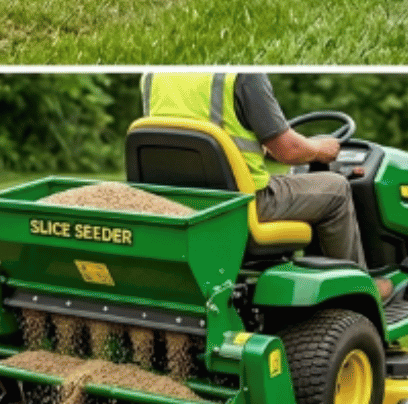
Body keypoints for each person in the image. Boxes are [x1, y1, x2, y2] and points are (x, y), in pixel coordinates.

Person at [142, 72, 390, 298]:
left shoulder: (153, 76)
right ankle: (359, 290)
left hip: (180, 204)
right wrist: (318, 149)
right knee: (336, 188)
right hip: (243, 206)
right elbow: (289, 150)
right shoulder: (242, 76)